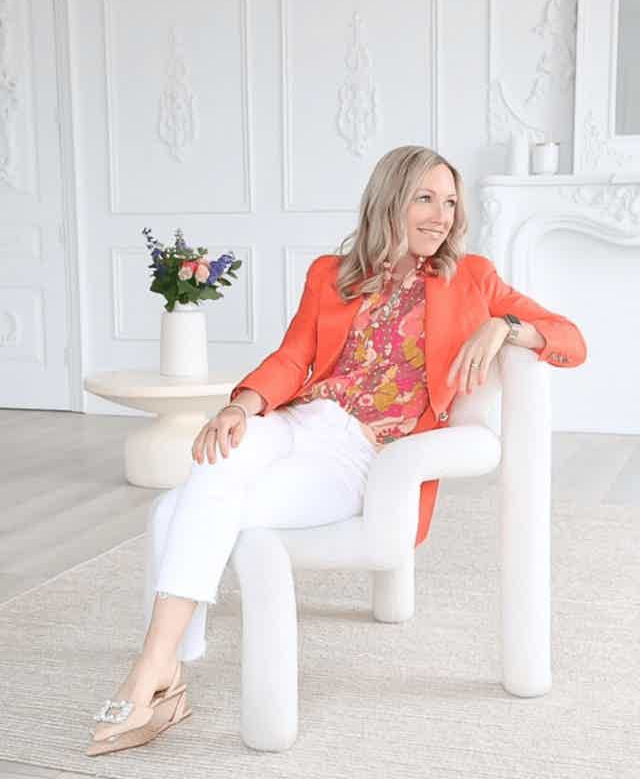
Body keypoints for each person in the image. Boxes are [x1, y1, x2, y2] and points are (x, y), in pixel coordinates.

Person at [86, 145, 587, 755]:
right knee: (216, 460)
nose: (441, 216)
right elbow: (294, 356)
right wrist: (241, 405)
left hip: (362, 456)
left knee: (177, 509)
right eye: (425, 198)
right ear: (389, 201)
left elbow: (571, 340)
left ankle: (155, 673)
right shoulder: (332, 273)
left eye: (451, 202)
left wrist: (506, 326)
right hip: (299, 421)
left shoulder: (472, 277)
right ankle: (161, 672)